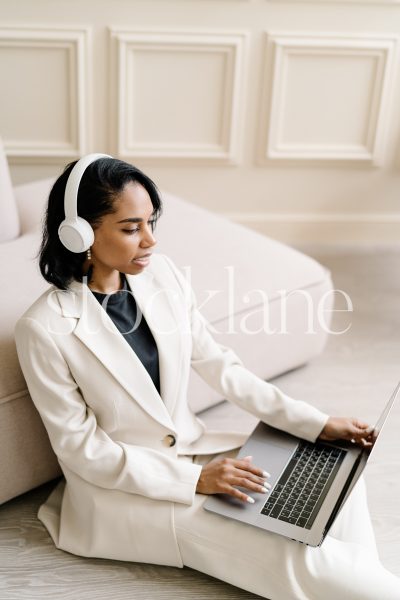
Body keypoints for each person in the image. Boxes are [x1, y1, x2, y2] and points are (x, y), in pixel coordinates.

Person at [14, 156, 400, 600]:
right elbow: (81, 451)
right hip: (134, 493)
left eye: (151, 223)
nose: (150, 241)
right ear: (79, 232)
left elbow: (220, 365)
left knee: (338, 470)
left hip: (198, 452)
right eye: (131, 227)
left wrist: (314, 422)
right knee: (297, 556)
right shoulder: (44, 329)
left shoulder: (163, 277)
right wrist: (195, 482)